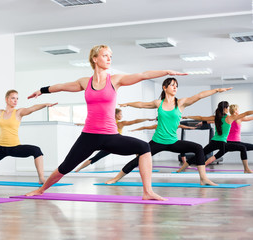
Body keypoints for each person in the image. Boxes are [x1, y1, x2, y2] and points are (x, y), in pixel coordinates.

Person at [25, 44, 188, 200]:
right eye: (105, 55)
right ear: (95, 59)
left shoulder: (115, 80)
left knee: (144, 147)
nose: (109, 59)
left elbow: (143, 75)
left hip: (111, 136)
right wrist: (41, 90)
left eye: (110, 56)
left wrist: (166, 71)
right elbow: (61, 86)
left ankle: (148, 191)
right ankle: (41, 190)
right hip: (89, 136)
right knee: (65, 167)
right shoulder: (85, 82)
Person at [105, 78, 232, 185]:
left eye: (176, 86)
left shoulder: (181, 103)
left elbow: (199, 96)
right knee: (139, 159)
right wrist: (128, 104)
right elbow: (143, 104)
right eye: (172, 85)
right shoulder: (158, 103)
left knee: (198, 148)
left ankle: (203, 178)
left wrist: (216, 90)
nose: (175, 87)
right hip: (157, 141)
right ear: (165, 87)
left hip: (173, 141)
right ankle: (116, 178)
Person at [0, 90, 57, 184]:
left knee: (36, 150)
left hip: (14, 147)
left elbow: (32, 108)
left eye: (17, 98)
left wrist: (45, 104)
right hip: (1, 147)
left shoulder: (19, 112)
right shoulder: (1, 113)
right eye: (13, 98)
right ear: (7, 99)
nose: (16, 100)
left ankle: (41, 178)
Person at [179, 101, 253, 173]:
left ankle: (181, 169)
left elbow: (201, 117)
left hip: (214, 142)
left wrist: (188, 116)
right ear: (224, 109)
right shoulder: (230, 118)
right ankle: (246, 169)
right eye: (227, 108)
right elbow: (246, 113)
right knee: (241, 148)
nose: (228, 109)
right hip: (222, 143)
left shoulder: (216, 118)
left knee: (200, 154)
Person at [74, 109, 155, 172]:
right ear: (115, 115)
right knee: (140, 150)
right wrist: (147, 119)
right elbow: (134, 121)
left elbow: (94, 125)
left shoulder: (107, 123)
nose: (121, 116)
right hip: (117, 144)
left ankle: (78, 169)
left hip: (107, 145)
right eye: (120, 114)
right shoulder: (120, 124)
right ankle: (143, 168)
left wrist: (82, 124)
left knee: (95, 158)